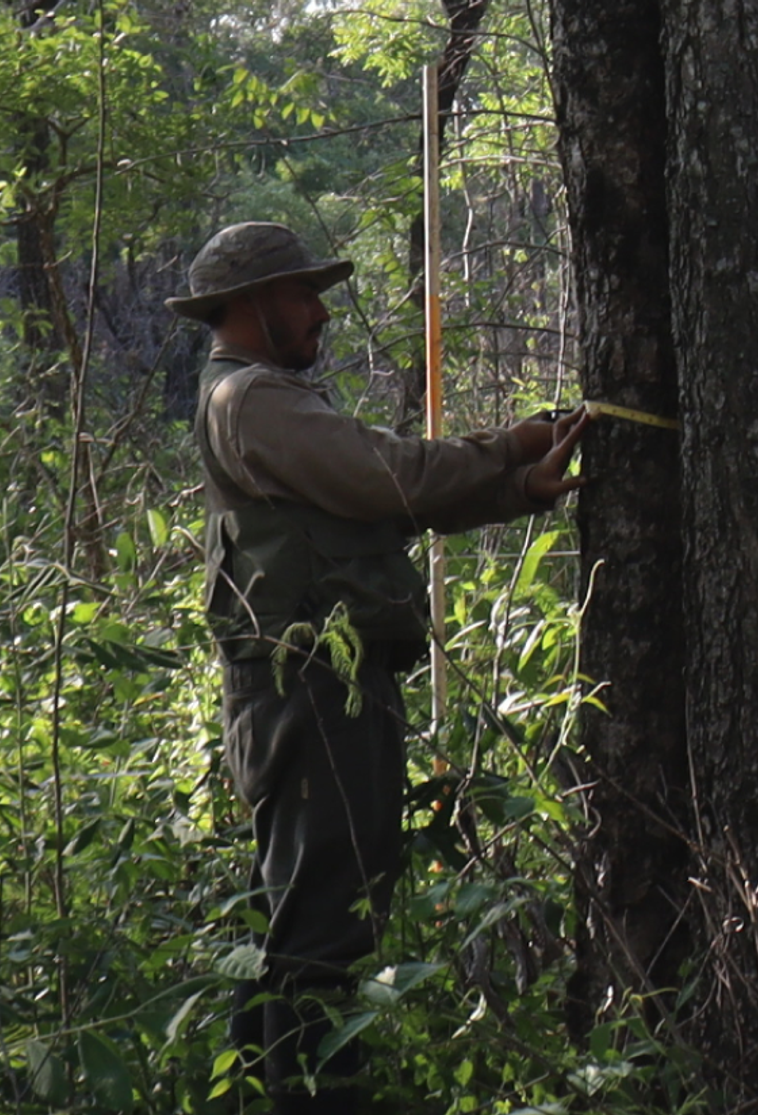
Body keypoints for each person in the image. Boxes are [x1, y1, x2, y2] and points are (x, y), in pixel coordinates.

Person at [178, 220, 590, 1112]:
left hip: (317, 687)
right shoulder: (251, 400)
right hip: (312, 691)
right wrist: (509, 449)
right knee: (323, 926)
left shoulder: (257, 397)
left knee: (299, 916)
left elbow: (371, 510)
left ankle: (263, 1094)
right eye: (301, 294)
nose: (319, 312)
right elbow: (386, 478)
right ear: (251, 306)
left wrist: (515, 486)